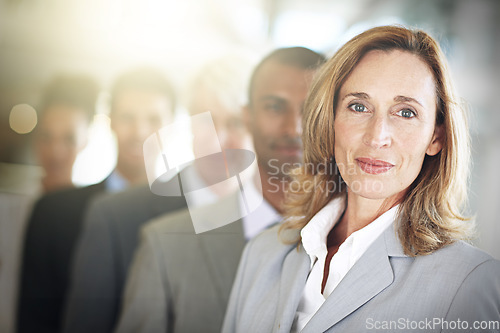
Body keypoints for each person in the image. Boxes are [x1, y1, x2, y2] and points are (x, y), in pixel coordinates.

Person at [222, 26, 500, 333]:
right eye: (358, 106)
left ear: (436, 136)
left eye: (405, 112)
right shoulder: (264, 251)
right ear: (330, 121)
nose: (377, 136)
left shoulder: (469, 281)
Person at [114, 47, 326, 333]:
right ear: (250, 115)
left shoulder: (359, 237)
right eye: (275, 107)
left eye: (311, 109)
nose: (294, 128)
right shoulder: (165, 244)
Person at [62, 55, 256, 333]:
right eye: (206, 121)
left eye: (235, 122)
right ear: (188, 122)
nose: (217, 139)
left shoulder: (281, 220)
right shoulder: (115, 217)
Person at [16, 68, 176, 333]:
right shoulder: (53, 213)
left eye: (154, 119)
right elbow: (34, 319)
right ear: (110, 120)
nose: (140, 131)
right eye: (128, 117)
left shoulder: (190, 220)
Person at [0, 74, 98, 333]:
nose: (55, 151)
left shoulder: (96, 217)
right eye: (47, 136)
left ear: (85, 140)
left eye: (68, 139)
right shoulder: (7, 210)